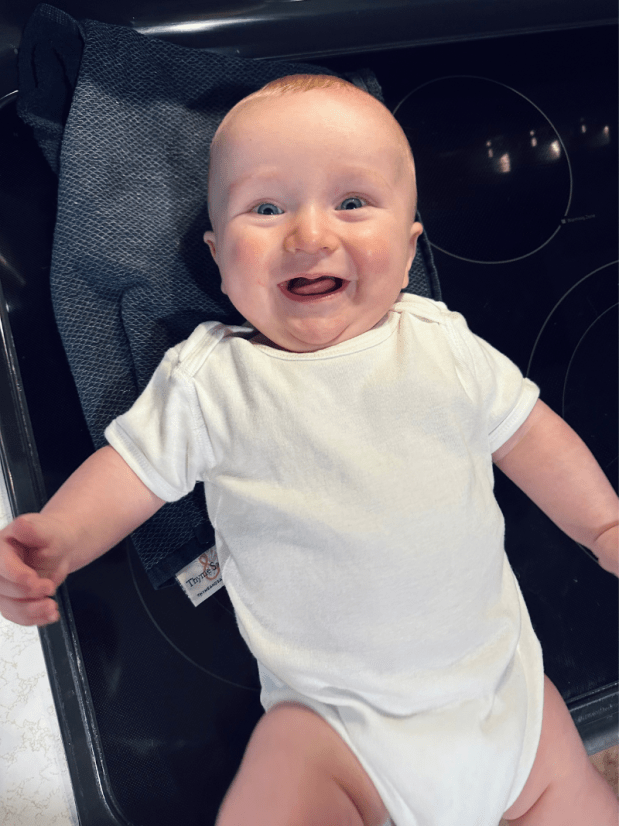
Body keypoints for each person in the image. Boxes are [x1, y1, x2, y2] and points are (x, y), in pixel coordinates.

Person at [0, 74, 617, 826]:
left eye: (352, 202)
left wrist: (602, 525)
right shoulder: (212, 381)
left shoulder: (441, 346)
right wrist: (59, 537)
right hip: (336, 734)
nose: (310, 235)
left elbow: (530, 435)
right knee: (282, 775)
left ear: (409, 243)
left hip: (506, 710)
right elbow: (131, 471)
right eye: (266, 208)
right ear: (219, 258)